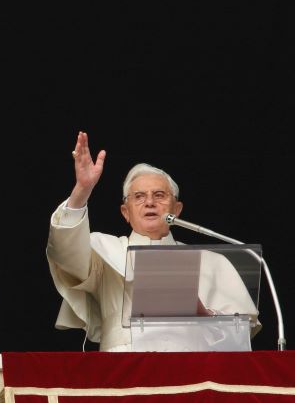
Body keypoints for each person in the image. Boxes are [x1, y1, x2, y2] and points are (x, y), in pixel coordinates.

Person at [46, 131, 258, 351]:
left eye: (159, 195)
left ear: (177, 209)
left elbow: (240, 336)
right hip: (123, 369)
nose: (149, 202)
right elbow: (65, 253)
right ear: (125, 212)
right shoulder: (104, 251)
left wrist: (204, 314)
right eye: (138, 196)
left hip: (191, 370)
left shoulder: (213, 262)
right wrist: (83, 190)